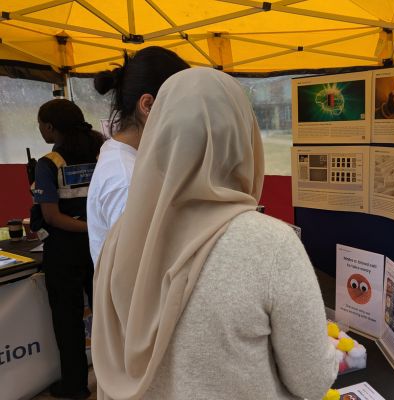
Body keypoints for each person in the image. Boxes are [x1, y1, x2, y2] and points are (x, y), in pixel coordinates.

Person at [92, 68, 338, 400]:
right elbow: (312, 379)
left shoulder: (120, 237)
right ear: (244, 139)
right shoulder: (271, 244)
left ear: (159, 137)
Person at [87, 46, 190, 266]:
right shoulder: (127, 177)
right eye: (183, 106)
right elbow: (139, 268)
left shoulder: (122, 156)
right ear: (148, 105)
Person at [32, 99, 104, 399]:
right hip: (100, 248)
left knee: (67, 320)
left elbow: (50, 217)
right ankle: (113, 379)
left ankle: (74, 387)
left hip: (64, 252)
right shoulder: (102, 153)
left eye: (41, 125)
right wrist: (98, 228)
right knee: (105, 317)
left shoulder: (49, 163)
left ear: (50, 127)